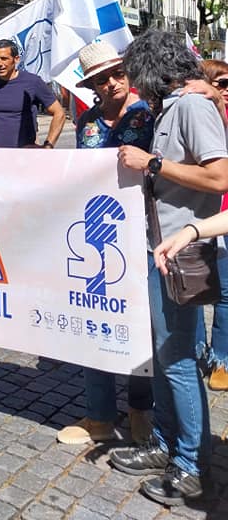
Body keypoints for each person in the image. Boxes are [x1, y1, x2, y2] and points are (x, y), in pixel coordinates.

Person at [111, 29, 228, 507]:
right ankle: (165, 443)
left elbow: (220, 176)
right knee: (163, 354)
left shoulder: (192, 106)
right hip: (160, 248)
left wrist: (153, 163)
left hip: (182, 250)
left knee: (178, 359)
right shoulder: (175, 105)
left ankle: (192, 465)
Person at [56, 40, 154, 446]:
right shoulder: (88, 121)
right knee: (93, 320)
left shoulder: (148, 114)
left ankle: (141, 412)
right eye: (101, 79)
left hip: (145, 233)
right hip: (96, 235)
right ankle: (99, 415)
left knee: (142, 326)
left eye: (117, 74)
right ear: (92, 86)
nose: (112, 83)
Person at [186, 59, 228, 391]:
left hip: (224, 219)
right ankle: (197, 352)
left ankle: (222, 360)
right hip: (193, 216)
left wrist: (218, 104)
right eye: (222, 83)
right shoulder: (189, 113)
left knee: (225, 292)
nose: (227, 90)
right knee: (194, 290)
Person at [0, 38, 65, 148]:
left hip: (25, 152)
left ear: (16, 59)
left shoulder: (33, 82)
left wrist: (48, 145)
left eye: (4, 59)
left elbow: (59, 113)